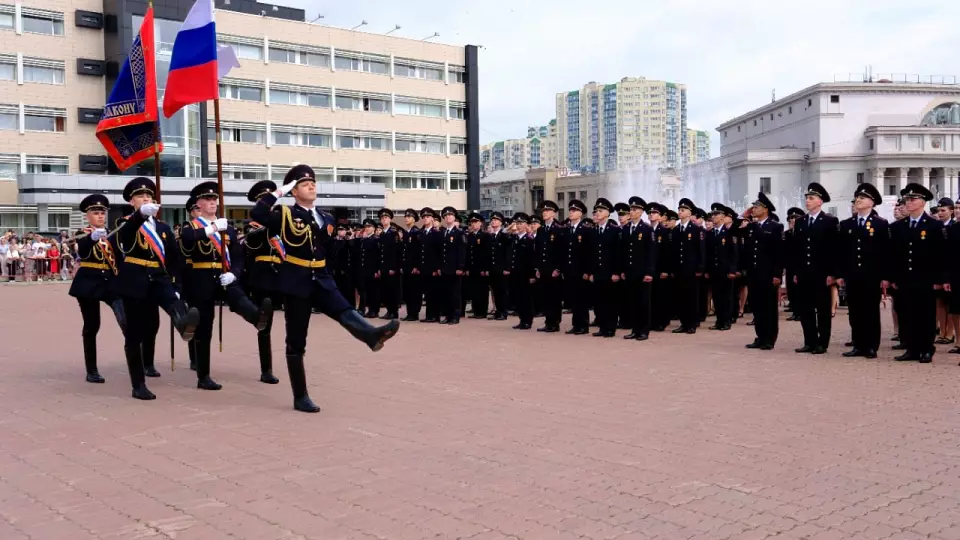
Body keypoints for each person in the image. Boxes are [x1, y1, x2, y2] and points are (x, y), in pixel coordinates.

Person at [250, 165, 399, 412]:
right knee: (296, 340)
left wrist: (330, 275)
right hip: (296, 281)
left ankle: (370, 335)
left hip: (321, 277)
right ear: (294, 191)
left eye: (313, 183)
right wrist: (279, 192)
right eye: (304, 184)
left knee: (344, 308)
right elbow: (258, 213)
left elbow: (327, 251)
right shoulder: (285, 214)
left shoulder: (327, 218)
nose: (311, 186)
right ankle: (300, 396)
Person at [179, 181, 274, 390]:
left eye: (214, 199)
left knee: (237, 296)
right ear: (198, 204)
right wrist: (213, 229)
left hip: (223, 276)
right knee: (205, 327)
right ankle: (203, 376)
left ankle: (258, 318)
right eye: (207, 199)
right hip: (201, 277)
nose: (212, 202)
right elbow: (186, 239)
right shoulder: (192, 227)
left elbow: (238, 256)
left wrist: (234, 273)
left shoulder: (228, 229)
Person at [114, 177, 200, 400]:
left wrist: (177, 284)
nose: (145, 199)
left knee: (173, 301)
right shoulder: (124, 223)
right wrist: (140, 216)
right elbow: (126, 237)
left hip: (159, 276)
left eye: (149, 196)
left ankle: (183, 324)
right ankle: (138, 384)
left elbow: (173, 258)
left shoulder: (162, 227)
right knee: (135, 333)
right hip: (135, 277)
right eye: (140, 196)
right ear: (131, 201)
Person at [68, 194, 127, 383]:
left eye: (102, 212)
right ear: (87, 216)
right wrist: (92, 238)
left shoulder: (113, 234)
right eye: (95, 213)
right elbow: (82, 249)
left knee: (126, 320)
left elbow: (119, 258)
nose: (100, 216)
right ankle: (91, 370)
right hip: (89, 282)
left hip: (111, 281)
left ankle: (136, 362)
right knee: (92, 326)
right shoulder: (82, 233)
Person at [889, 183, 946, 363]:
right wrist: (893, 277)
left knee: (926, 315)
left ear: (923, 202)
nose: (908, 202)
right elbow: (895, 255)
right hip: (905, 278)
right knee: (907, 314)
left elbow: (940, 255)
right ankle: (912, 349)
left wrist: (939, 279)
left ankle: (926, 349)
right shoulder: (899, 227)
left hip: (926, 279)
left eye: (913, 199)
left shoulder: (934, 226)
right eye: (907, 199)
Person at [837, 182, 889, 359]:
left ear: (871, 202)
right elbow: (842, 252)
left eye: (862, 198)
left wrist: (885, 276)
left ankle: (871, 346)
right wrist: (841, 274)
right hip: (853, 275)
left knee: (871, 311)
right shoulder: (847, 224)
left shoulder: (880, 224)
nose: (858, 200)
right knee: (855, 311)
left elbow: (885, 253)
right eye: (857, 197)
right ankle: (858, 344)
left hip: (871, 276)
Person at [242, 180, 284, 384]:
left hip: (283, 274)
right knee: (265, 325)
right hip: (263, 276)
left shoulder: (281, 221)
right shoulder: (252, 225)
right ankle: (266, 369)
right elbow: (252, 242)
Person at [792, 183, 840, 355]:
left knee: (823, 310)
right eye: (806, 198)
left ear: (820, 201)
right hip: (804, 273)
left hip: (822, 273)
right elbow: (797, 249)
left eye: (811, 198)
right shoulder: (800, 222)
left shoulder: (829, 221)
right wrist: (796, 272)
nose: (807, 201)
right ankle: (809, 341)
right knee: (806, 309)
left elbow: (834, 249)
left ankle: (822, 343)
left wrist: (833, 273)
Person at [742, 192, 785, 351]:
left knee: (769, 308)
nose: (753, 209)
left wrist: (777, 274)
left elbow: (779, 253)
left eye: (757, 207)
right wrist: (743, 215)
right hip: (753, 273)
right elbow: (733, 230)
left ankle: (769, 339)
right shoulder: (752, 226)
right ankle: (760, 337)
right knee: (757, 306)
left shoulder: (775, 227)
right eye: (753, 207)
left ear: (765, 209)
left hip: (768, 274)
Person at [620, 197, 656, 340]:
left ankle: (644, 330)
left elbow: (651, 252)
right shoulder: (626, 228)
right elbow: (623, 251)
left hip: (643, 272)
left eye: (635, 210)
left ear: (641, 212)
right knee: (632, 302)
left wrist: (649, 272)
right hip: (630, 271)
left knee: (643, 303)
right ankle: (635, 330)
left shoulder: (647, 229)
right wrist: (623, 270)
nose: (632, 212)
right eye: (631, 209)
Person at [670, 198, 706, 334]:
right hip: (679, 269)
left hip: (691, 269)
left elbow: (701, 250)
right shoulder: (675, 230)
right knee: (680, 297)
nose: (680, 212)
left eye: (683, 210)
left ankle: (691, 324)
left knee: (692, 297)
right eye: (679, 209)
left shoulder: (696, 230)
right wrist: (672, 269)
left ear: (690, 213)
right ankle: (683, 323)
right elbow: (674, 251)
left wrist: (700, 267)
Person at [563, 199, 595, 335]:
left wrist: (588, 271)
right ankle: (576, 324)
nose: (571, 212)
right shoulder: (568, 229)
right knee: (574, 299)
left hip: (582, 271)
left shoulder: (586, 230)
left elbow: (590, 252)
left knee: (582, 299)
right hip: (571, 270)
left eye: (574, 210)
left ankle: (583, 325)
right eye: (570, 210)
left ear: (581, 213)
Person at [591, 198, 621, 337]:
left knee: (611, 302)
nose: (597, 213)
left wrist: (616, 272)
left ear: (608, 213)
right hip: (598, 272)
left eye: (600, 211)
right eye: (596, 211)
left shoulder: (615, 230)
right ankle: (602, 327)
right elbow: (591, 253)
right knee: (599, 301)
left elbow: (618, 253)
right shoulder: (594, 230)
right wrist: (591, 272)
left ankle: (610, 328)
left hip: (610, 272)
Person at [707, 203, 739, 331]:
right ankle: (719, 321)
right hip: (714, 270)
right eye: (713, 214)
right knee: (716, 296)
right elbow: (708, 253)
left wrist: (732, 270)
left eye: (717, 214)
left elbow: (734, 254)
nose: (714, 217)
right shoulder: (710, 233)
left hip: (725, 271)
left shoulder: (729, 233)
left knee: (726, 297)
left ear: (723, 216)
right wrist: (707, 270)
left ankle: (726, 321)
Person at [535, 201, 564, 333]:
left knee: (554, 297)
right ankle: (548, 321)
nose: (544, 213)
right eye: (543, 211)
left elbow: (561, 251)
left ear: (553, 213)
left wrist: (558, 268)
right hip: (543, 269)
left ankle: (555, 322)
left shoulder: (558, 229)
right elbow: (538, 250)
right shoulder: (541, 230)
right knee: (545, 296)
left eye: (547, 211)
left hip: (553, 270)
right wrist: (537, 268)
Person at [507, 212, 537, 329]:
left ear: (526, 225)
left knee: (526, 298)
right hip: (516, 273)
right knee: (518, 297)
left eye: (521, 223)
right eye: (517, 223)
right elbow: (504, 234)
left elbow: (532, 259)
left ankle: (527, 320)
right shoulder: (514, 238)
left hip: (526, 274)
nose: (519, 225)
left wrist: (532, 275)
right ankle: (522, 319)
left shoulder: (529, 239)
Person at [439, 206, 467, 324]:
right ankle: (448, 315)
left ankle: (455, 316)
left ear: (454, 217)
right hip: (445, 268)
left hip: (455, 269)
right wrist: (440, 267)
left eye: (450, 215)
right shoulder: (443, 232)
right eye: (446, 216)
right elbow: (441, 252)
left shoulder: (459, 233)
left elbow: (462, 251)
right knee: (446, 293)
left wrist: (461, 267)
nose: (448, 217)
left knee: (455, 293)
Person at [465, 212, 491, 319]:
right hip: (472, 267)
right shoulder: (470, 236)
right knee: (474, 290)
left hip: (481, 268)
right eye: (472, 222)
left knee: (482, 290)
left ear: (481, 223)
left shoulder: (485, 236)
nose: (474, 224)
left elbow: (487, 253)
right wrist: (467, 268)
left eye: (476, 222)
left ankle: (482, 312)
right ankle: (476, 310)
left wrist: (486, 268)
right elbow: (468, 253)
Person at [418, 207, 442, 322]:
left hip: (433, 268)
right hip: (424, 267)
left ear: (432, 219)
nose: (425, 219)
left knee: (434, 293)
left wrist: (437, 268)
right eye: (424, 217)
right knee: (427, 293)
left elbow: (439, 252)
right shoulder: (421, 233)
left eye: (428, 217)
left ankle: (435, 315)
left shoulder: (436, 233)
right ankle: (429, 315)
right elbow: (420, 251)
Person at [378, 208, 402, 319]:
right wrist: (380, 267)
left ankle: (394, 312)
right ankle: (389, 310)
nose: (384, 220)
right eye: (382, 218)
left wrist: (394, 267)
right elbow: (381, 252)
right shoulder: (382, 234)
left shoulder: (394, 234)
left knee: (392, 291)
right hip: (384, 267)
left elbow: (396, 252)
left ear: (390, 219)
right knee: (385, 290)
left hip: (392, 268)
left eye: (386, 218)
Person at [487, 212, 510, 320]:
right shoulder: (491, 236)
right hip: (493, 269)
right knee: (495, 291)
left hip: (501, 269)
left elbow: (508, 253)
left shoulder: (504, 236)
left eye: (496, 220)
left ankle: (503, 312)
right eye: (492, 220)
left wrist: (507, 268)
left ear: (501, 223)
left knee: (502, 291)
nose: (493, 222)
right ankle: (498, 311)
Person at [400, 209, 422, 321]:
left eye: (409, 217)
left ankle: (414, 313)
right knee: (408, 291)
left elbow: (419, 251)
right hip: (406, 267)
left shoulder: (416, 232)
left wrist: (416, 266)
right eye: (405, 216)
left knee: (415, 291)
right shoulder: (405, 233)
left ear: (414, 219)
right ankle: (410, 313)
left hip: (414, 267)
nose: (406, 218)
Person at [358, 218, 381, 318]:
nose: (367, 228)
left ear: (374, 228)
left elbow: (378, 256)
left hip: (373, 270)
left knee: (374, 291)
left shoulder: (376, 240)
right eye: (365, 227)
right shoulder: (364, 240)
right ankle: (369, 309)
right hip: (365, 269)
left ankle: (374, 310)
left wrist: (376, 270)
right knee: (366, 290)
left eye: (369, 226)